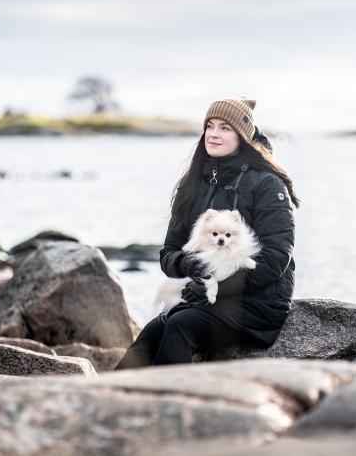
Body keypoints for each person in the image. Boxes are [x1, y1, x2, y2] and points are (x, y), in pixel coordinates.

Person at [114, 96, 300, 369]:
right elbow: (168, 252)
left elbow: (276, 259)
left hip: (257, 303)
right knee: (150, 335)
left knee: (179, 325)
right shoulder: (192, 184)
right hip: (201, 296)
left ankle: (166, 404)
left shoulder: (267, 185)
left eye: (225, 128)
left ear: (242, 137)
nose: (213, 134)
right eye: (210, 126)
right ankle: (111, 400)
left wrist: (216, 289)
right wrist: (189, 264)